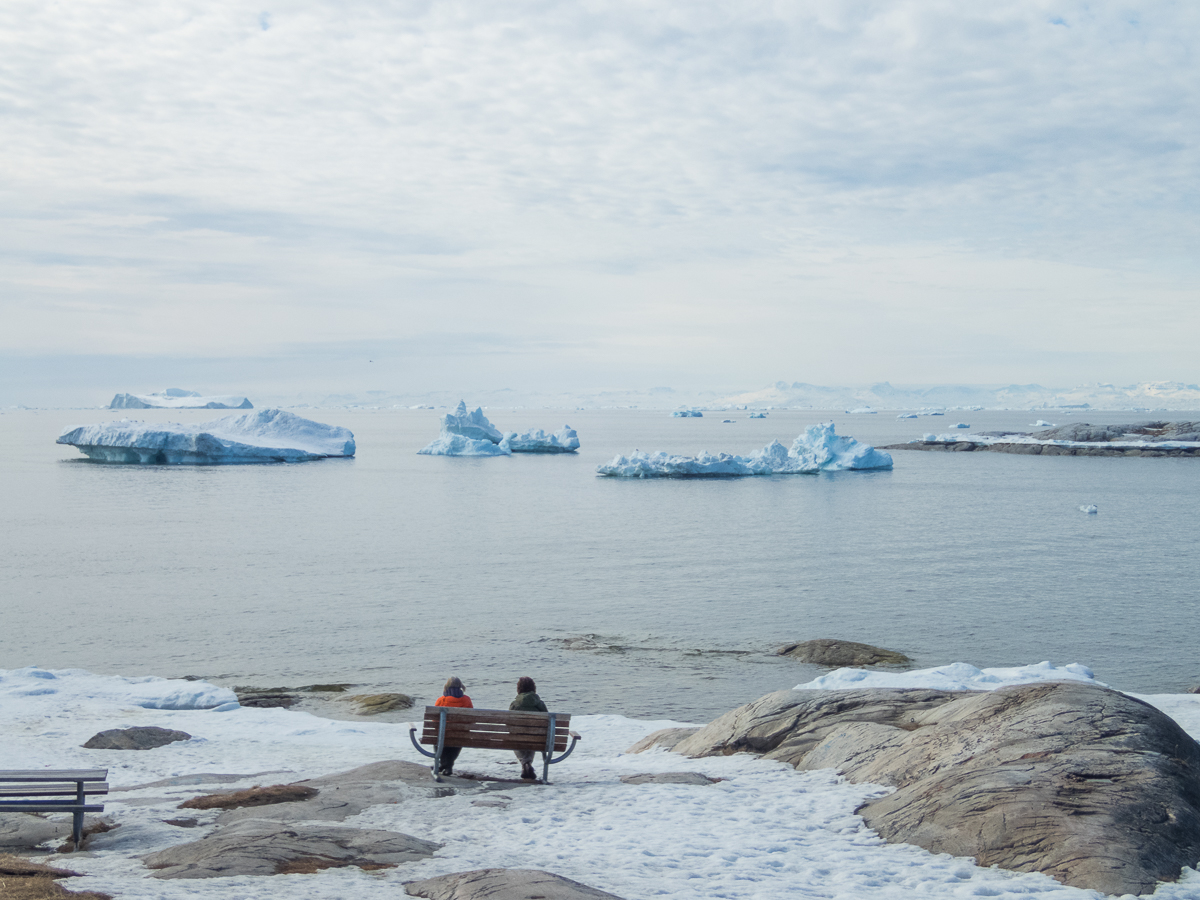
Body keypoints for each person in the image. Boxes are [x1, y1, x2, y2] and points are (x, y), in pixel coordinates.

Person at [509, 675, 548, 780]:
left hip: (519, 737)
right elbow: (547, 722)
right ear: (533, 688)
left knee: (515, 737)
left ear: (519, 689)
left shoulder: (514, 704)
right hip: (537, 739)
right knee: (533, 736)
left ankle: (525, 764)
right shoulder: (539, 704)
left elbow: (509, 724)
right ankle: (527, 764)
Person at [433, 675, 473, 776]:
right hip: (459, 734)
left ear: (446, 686)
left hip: (443, 734)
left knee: (439, 738)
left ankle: (444, 765)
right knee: (456, 740)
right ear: (460, 686)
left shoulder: (441, 700)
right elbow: (470, 719)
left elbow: (434, 719)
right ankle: (447, 766)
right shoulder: (466, 700)